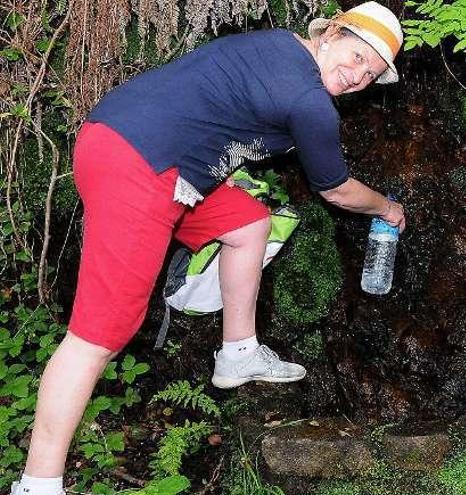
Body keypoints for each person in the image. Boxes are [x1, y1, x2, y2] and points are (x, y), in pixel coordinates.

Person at [10, 2, 405, 494]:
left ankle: (237, 351)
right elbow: (337, 189)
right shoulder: (308, 99)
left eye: (370, 73)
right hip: (141, 167)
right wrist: (386, 209)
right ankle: (38, 482)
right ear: (332, 33)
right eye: (356, 55)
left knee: (248, 224)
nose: (357, 75)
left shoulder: (277, 47)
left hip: (127, 144)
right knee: (99, 337)